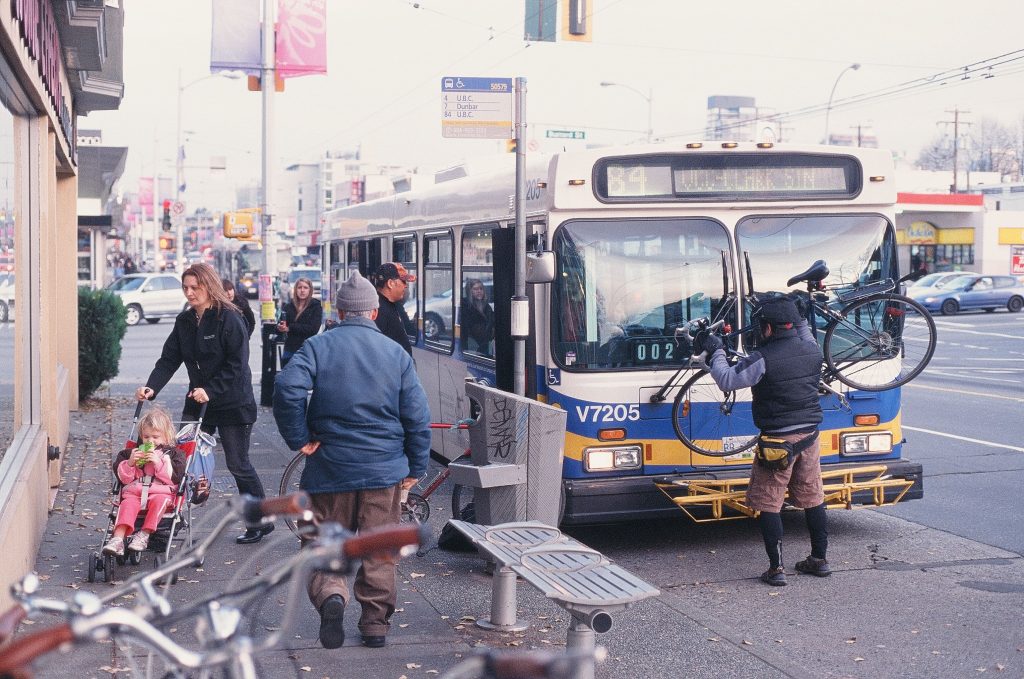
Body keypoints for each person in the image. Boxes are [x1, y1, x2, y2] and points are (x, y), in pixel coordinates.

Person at [273, 271, 430, 650]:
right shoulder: (396, 354)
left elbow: (286, 386)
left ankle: (331, 594)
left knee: (322, 543)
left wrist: (300, 438)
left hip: (329, 470)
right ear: (374, 313)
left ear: (340, 312)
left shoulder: (317, 346)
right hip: (383, 470)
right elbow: (417, 416)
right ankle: (375, 625)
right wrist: (416, 467)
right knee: (378, 549)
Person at [137, 262, 271, 545]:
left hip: (232, 401)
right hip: (198, 401)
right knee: (180, 462)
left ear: (209, 287)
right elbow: (169, 359)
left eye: (194, 287)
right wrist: (152, 386)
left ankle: (260, 520)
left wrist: (211, 390)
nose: (189, 293)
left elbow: (237, 365)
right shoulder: (184, 321)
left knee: (238, 463)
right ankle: (171, 522)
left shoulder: (229, 319)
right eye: (185, 287)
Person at [699, 297, 829, 586]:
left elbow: (727, 380)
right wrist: (801, 313)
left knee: (770, 502)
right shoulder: (811, 349)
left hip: (777, 442)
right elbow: (804, 328)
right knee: (813, 497)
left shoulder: (762, 359)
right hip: (809, 437)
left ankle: (776, 569)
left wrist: (717, 351)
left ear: (767, 328)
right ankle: (819, 560)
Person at [102, 407, 186, 556]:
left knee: (160, 501)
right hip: (135, 492)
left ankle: (144, 534)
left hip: (160, 493)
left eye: (155, 437)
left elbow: (175, 478)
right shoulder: (130, 453)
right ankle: (117, 539)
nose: (150, 441)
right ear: (141, 436)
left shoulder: (174, 455)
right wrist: (130, 463)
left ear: (166, 437)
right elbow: (123, 478)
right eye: (146, 437)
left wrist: (158, 462)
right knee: (126, 504)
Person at [369, 262, 416, 356]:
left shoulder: (394, 305)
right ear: (390, 283)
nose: (406, 285)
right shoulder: (378, 311)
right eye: (403, 281)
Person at [277, 277, 322, 366]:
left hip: (307, 349)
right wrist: (280, 328)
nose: (302, 290)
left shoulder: (316, 306)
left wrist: (290, 328)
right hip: (290, 350)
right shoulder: (288, 306)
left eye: (305, 288)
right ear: (295, 289)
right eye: (299, 287)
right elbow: (280, 325)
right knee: (287, 376)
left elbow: (313, 329)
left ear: (310, 290)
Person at [460, 278, 495, 355]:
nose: (479, 291)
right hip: (471, 346)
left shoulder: (486, 306)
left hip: (485, 345)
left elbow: (493, 321)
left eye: (481, 289)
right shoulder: (465, 306)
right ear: (470, 291)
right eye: (475, 289)